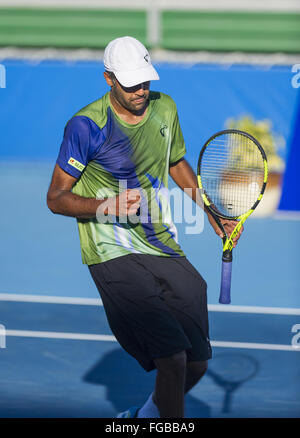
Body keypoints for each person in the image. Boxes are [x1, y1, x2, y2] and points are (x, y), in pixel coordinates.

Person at [47, 36, 242, 418]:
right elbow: (55, 198)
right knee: (172, 358)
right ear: (108, 79)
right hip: (110, 250)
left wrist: (208, 208)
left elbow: (176, 162)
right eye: (131, 83)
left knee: (197, 361)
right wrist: (107, 205)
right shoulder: (86, 126)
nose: (140, 90)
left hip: (159, 242)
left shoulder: (164, 107)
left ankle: (145, 417)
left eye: (145, 81)